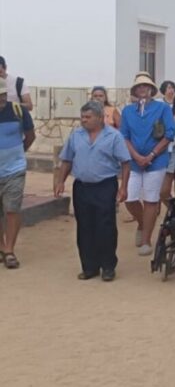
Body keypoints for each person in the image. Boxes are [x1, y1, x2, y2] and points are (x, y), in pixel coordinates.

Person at [54, 101, 130, 281]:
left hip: (105, 185)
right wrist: (60, 181)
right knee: (84, 226)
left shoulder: (113, 136)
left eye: (88, 117)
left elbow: (125, 163)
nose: (83, 121)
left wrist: (124, 187)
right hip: (81, 187)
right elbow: (67, 160)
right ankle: (89, 267)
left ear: (100, 117)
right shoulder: (76, 135)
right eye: (82, 117)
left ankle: (108, 266)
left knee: (105, 226)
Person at [120, 72, 175, 257]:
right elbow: (124, 136)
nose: (142, 89)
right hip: (134, 161)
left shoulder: (162, 108)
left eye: (145, 86)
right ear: (135, 90)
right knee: (129, 198)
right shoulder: (128, 111)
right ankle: (143, 223)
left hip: (157, 160)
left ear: (151, 89)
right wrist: (136, 156)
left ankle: (146, 239)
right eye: (139, 87)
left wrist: (151, 154)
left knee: (151, 199)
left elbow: (169, 133)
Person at [0, 77, 35, 269]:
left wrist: (19, 153)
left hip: (14, 170)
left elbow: (30, 135)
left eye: (2, 95)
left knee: (12, 209)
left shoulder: (17, 111)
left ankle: (9, 250)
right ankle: (1, 247)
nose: (1, 100)